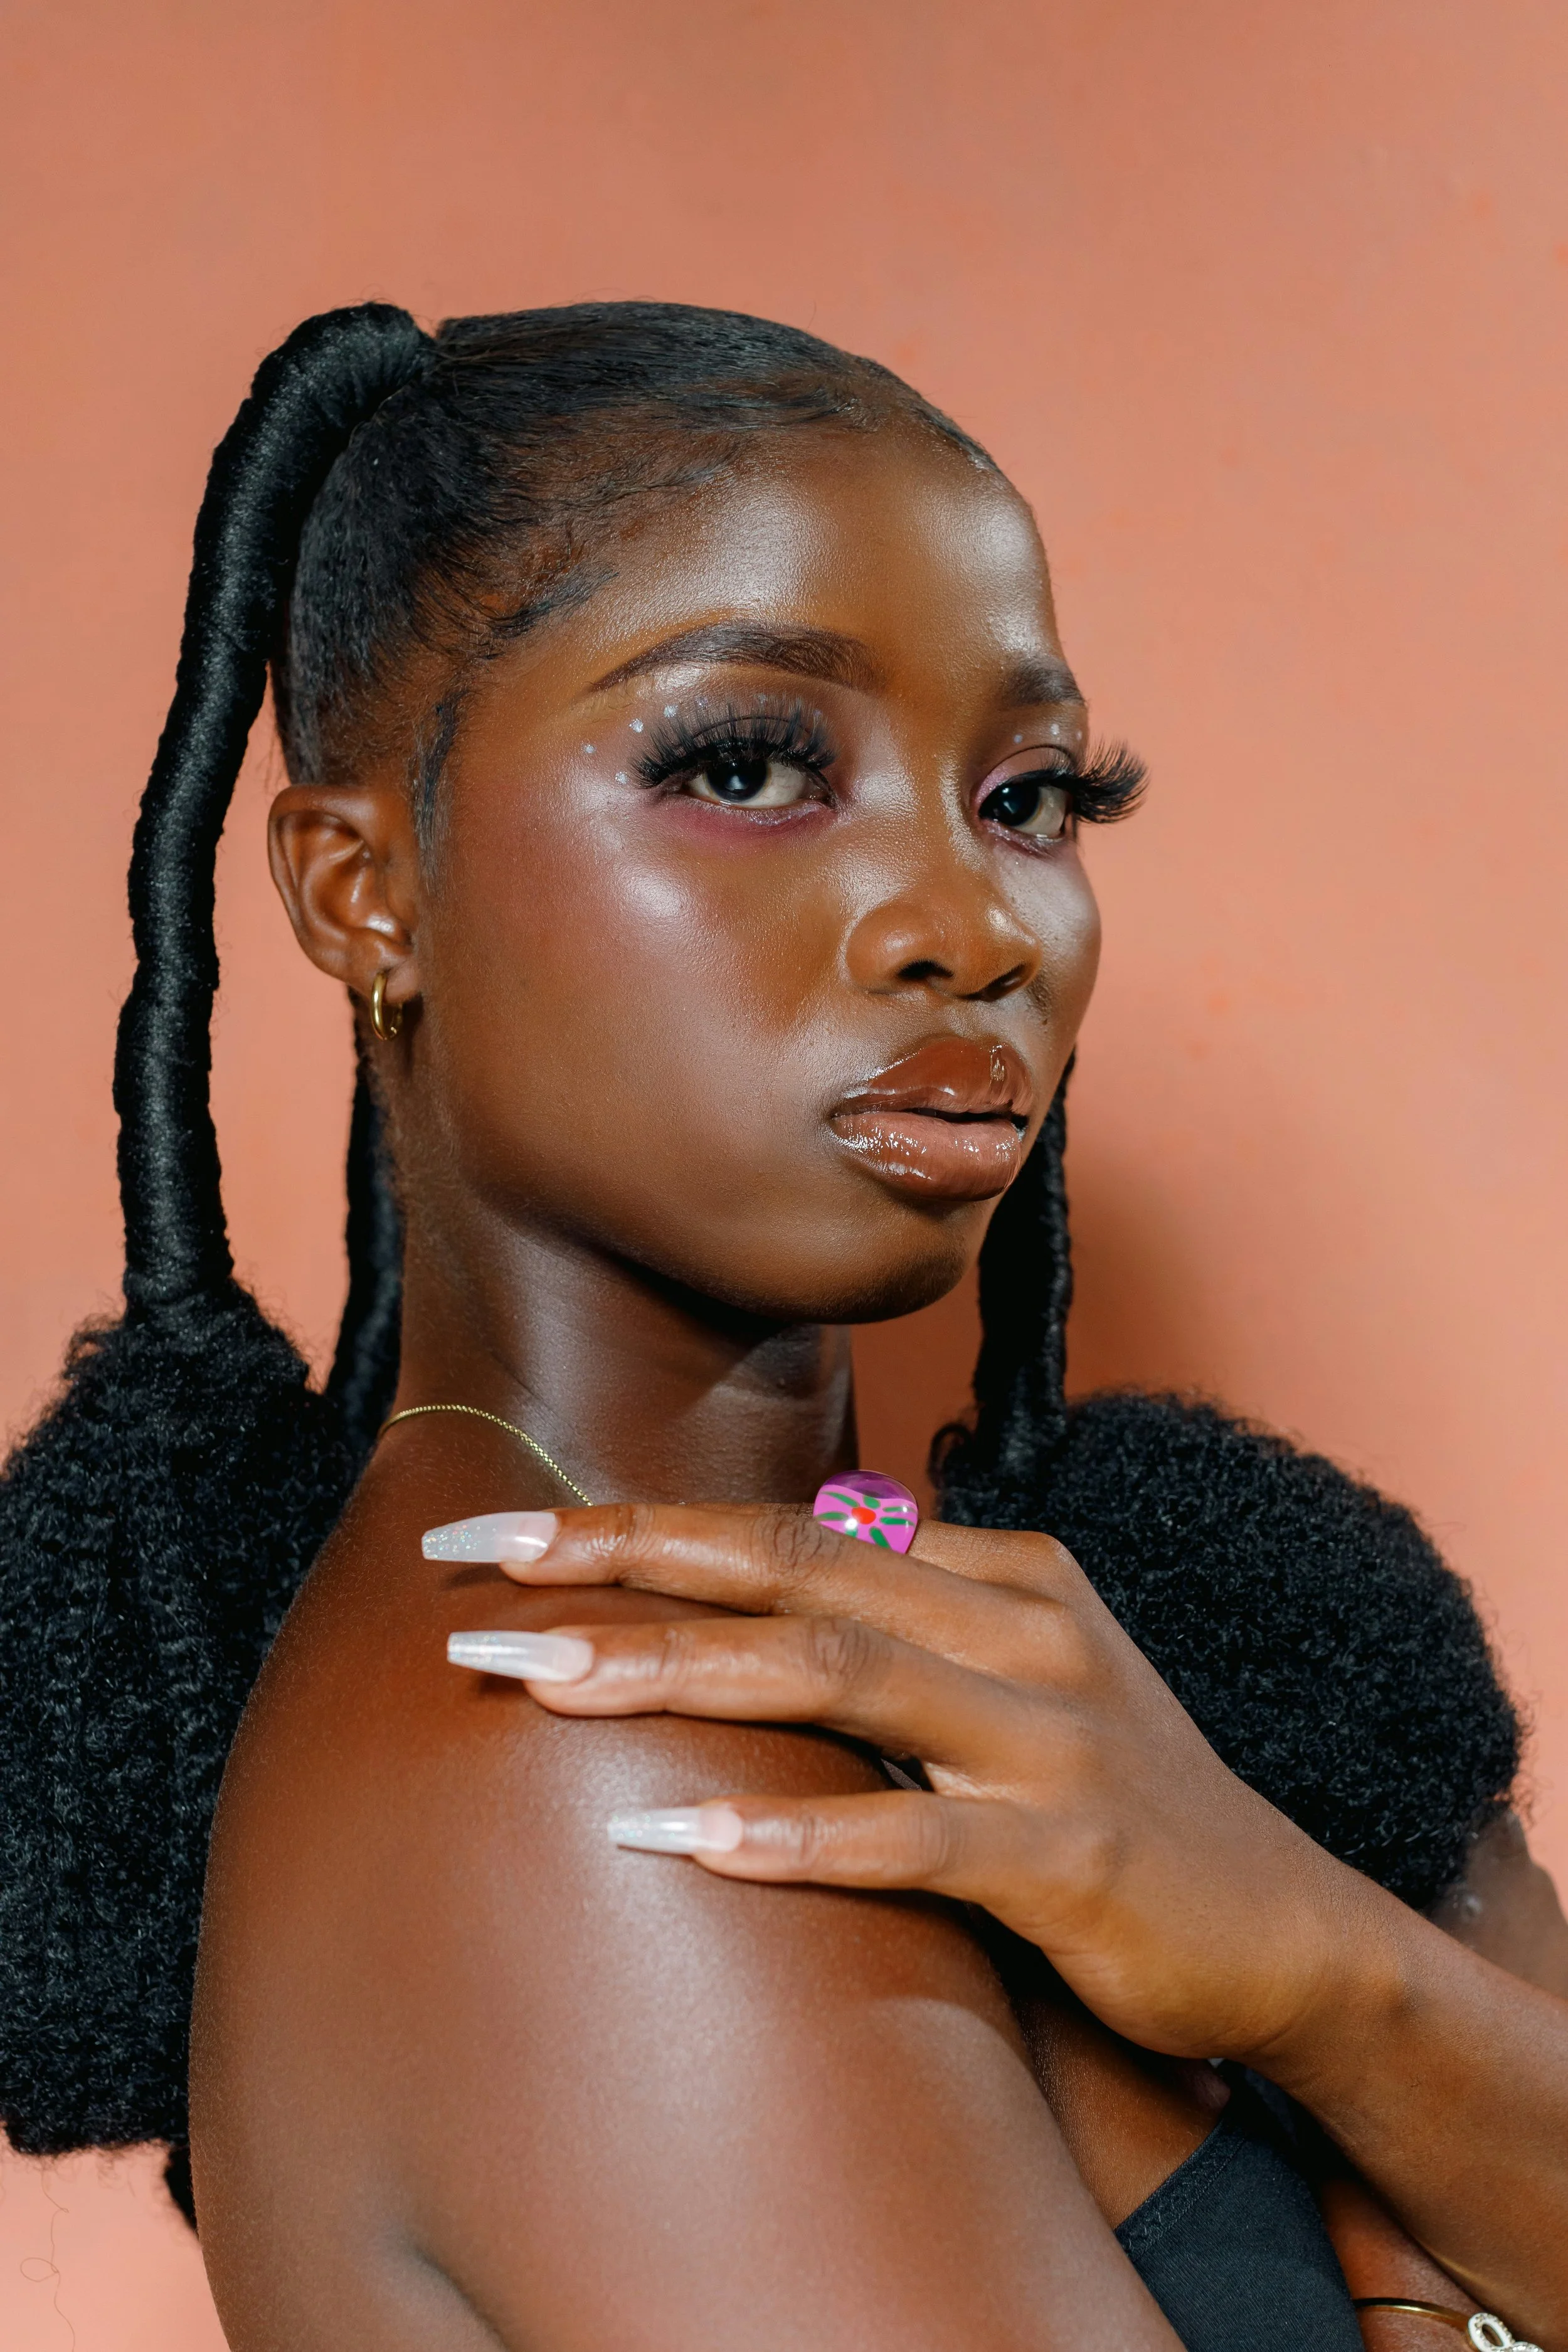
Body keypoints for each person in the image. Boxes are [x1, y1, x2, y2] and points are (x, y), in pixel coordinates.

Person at [0, 302, 1563, 2351]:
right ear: (360, 891)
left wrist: (1316, 1965)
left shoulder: (1157, 1701)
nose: (972, 921)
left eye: (1026, 793)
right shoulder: (579, 1753)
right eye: (746, 764)